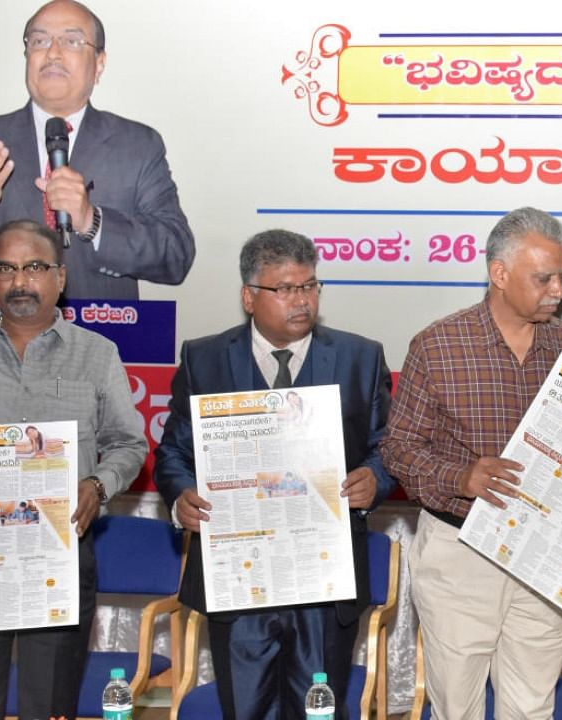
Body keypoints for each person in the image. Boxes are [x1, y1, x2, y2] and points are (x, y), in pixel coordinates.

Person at [155, 229, 393, 720]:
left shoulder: (360, 357)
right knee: (246, 709)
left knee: (319, 710)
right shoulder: (204, 358)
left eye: (309, 286)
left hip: (325, 581)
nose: (301, 300)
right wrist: (181, 497)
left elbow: (387, 448)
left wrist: (375, 477)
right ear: (250, 296)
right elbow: (173, 453)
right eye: (284, 289)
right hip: (239, 575)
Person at [0, 219, 146, 720]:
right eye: (5, 269)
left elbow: (129, 444)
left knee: (49, 705)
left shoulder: (97, 354)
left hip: (58, 557)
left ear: (60, 278)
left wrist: (97, 484)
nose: (20, 282)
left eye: (35, 268)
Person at [381, 206, 562, 719]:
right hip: (462, 546)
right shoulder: (437, 346)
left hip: (545, 548)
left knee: (532, 705)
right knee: (459, 705)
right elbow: (398, 448)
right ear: (499, 274)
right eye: (543, 277)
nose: (557, 290)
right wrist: (463, 477)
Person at [0, 0, 194, 300]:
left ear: (99, 63)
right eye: (39, 41)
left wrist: (92, 221)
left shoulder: (138, 145)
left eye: (72, 41)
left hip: (103, 338)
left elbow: (176, 256)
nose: (52, 53)